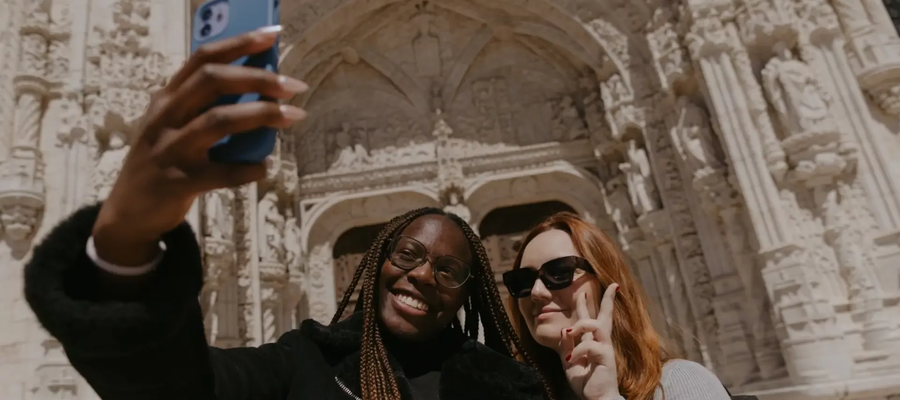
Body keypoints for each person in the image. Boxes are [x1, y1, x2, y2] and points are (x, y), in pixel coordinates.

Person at [23, 26, 553, 400]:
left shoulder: (508, 386)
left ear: (469, 290)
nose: (421, 274)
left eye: (449, 270)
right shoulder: (307, 362)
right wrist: (126, 244)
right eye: (407, 253)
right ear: (376, 264)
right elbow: (172, 385)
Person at [503, 212, 732, 400]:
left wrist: (606, 398)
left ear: (606, 283)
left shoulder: (678, 383)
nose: (536, 292)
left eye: (560, 272)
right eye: (522, 280)